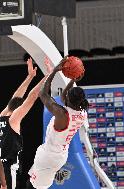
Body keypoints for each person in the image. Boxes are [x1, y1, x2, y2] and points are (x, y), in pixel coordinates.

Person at [28, 57, 89, 189]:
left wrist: (54, 71)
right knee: (34, 180)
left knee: (34, 186)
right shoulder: (82, 113)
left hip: (49, 156)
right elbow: (64, 97)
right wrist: (73, 80)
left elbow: (43, 94)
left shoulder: (62, 115)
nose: (64, 96)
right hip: (58, 156)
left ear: (69, 101)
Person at [0, 58, 52, 189]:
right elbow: (32, 96)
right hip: (6, 171)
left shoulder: (0, 118)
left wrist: (30, 77)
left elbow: (15, 97)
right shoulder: (14, 119)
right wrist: (48, 75)